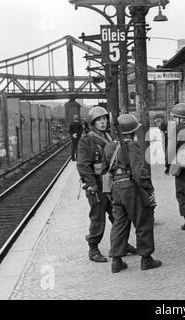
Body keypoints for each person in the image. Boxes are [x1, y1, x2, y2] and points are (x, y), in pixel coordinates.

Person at [102, 114, 162, 273]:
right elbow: (138, 172)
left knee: (119, 224)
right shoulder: (132, 146)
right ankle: (146, 259)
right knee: (143, 221)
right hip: (131, 188)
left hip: (116, 189)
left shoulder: (109, 146)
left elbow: (103, 170)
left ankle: (116, 260)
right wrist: (148, 188)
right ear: (132, 131)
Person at [77, 106, 136, 263]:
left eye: (104, 119)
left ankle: (121, 244)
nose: (102, 123)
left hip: (110, 183)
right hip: (96, 185)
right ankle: (93, 248)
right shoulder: (87, 140)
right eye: (99, 120)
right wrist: (91, 184)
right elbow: (82, 165)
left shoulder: (110, 137)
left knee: (118, 216)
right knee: (98, 217)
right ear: (92, 123)